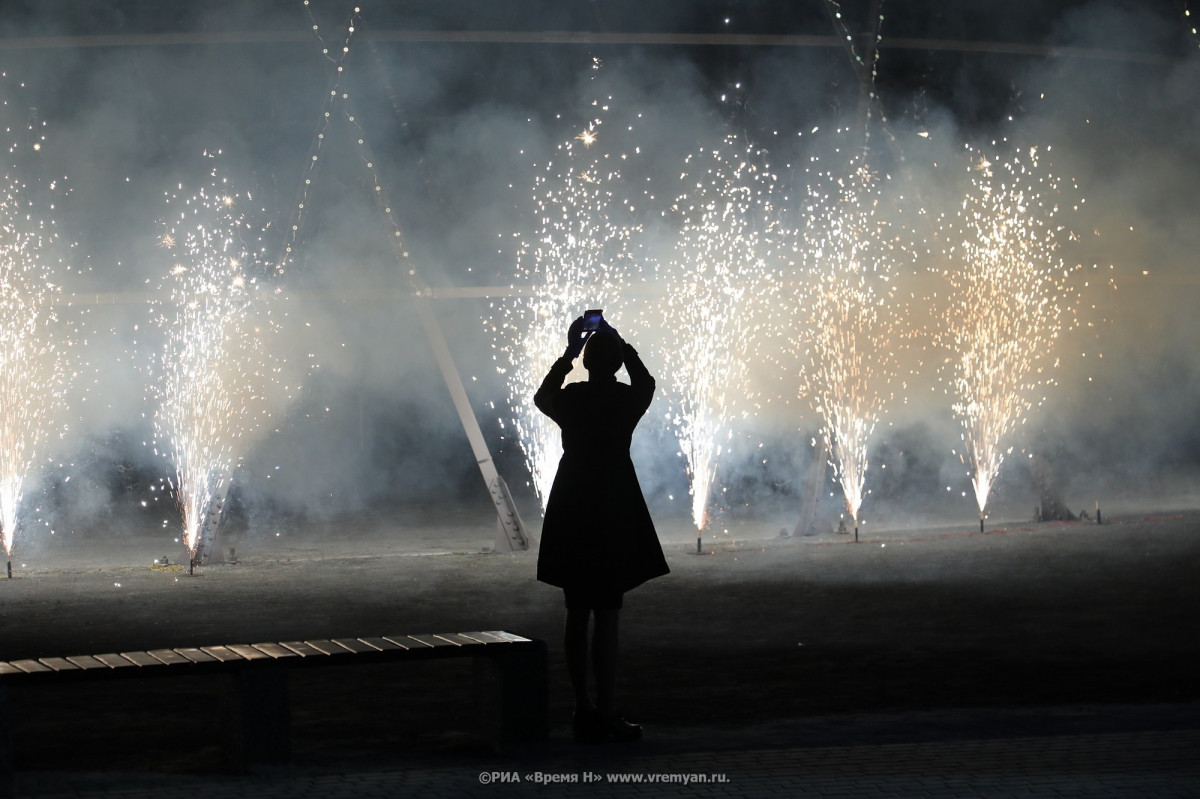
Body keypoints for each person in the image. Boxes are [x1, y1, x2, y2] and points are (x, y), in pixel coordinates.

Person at [533, 313, 669, 743]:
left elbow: (542, 395)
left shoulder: (571, 399)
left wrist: (569, 353)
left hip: (573, 501)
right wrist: (621, 342)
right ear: (614, 365)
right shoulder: (626, 400)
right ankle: (607, 712)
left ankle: (582, 708)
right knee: (607, 614)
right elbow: (646, 382)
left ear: (587, 362)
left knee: (576, 611)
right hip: (612, 503)